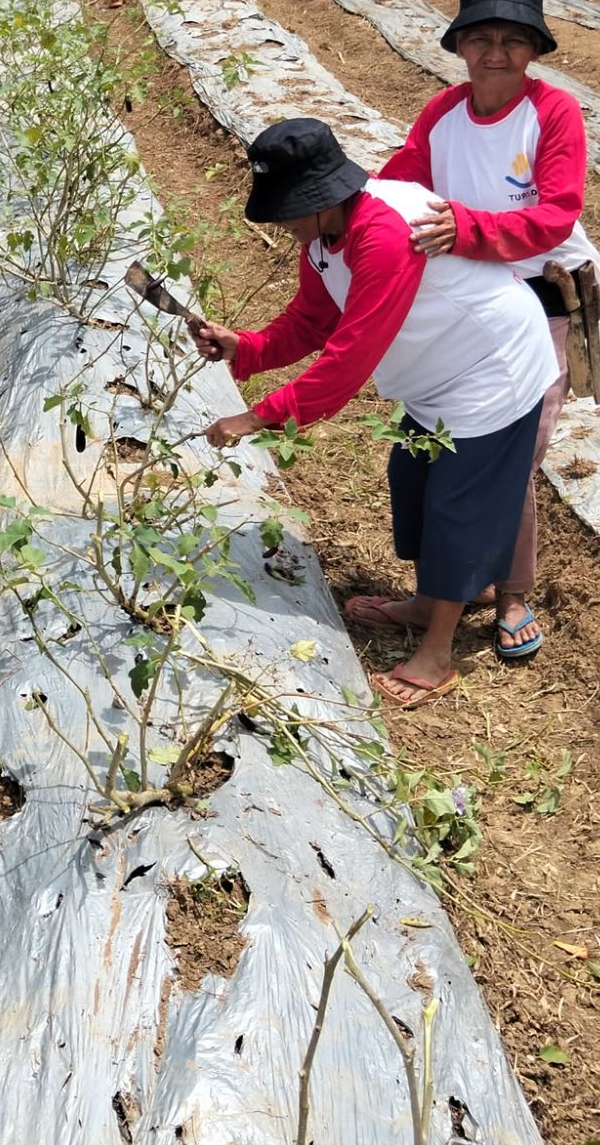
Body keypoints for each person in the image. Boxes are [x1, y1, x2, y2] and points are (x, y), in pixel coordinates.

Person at [190, 118, 559, 709]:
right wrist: (248, 347)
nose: (282, 223)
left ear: (322, 197)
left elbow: (351, 356)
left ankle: (437, 654)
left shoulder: (386, 233)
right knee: (411, 479)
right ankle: (425, 603)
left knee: (456, 507)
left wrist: (258, 417)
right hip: (439, 373)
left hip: (491, 370)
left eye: (288, 209)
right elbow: (313, 319)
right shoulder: (322, 236)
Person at [359, 0, 597, 663]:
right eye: (482, 37)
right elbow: (399, 183)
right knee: (437, 439)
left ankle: (510, 592)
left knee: (509, 455)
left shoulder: (551, 113)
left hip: (538, 297)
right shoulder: (442, 113)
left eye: (514, 39)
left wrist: (466, 228)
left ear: (535, 48)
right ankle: (435, 591)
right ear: (460, 43)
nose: (496, 52)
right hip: (466, 302)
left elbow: (555, 215)